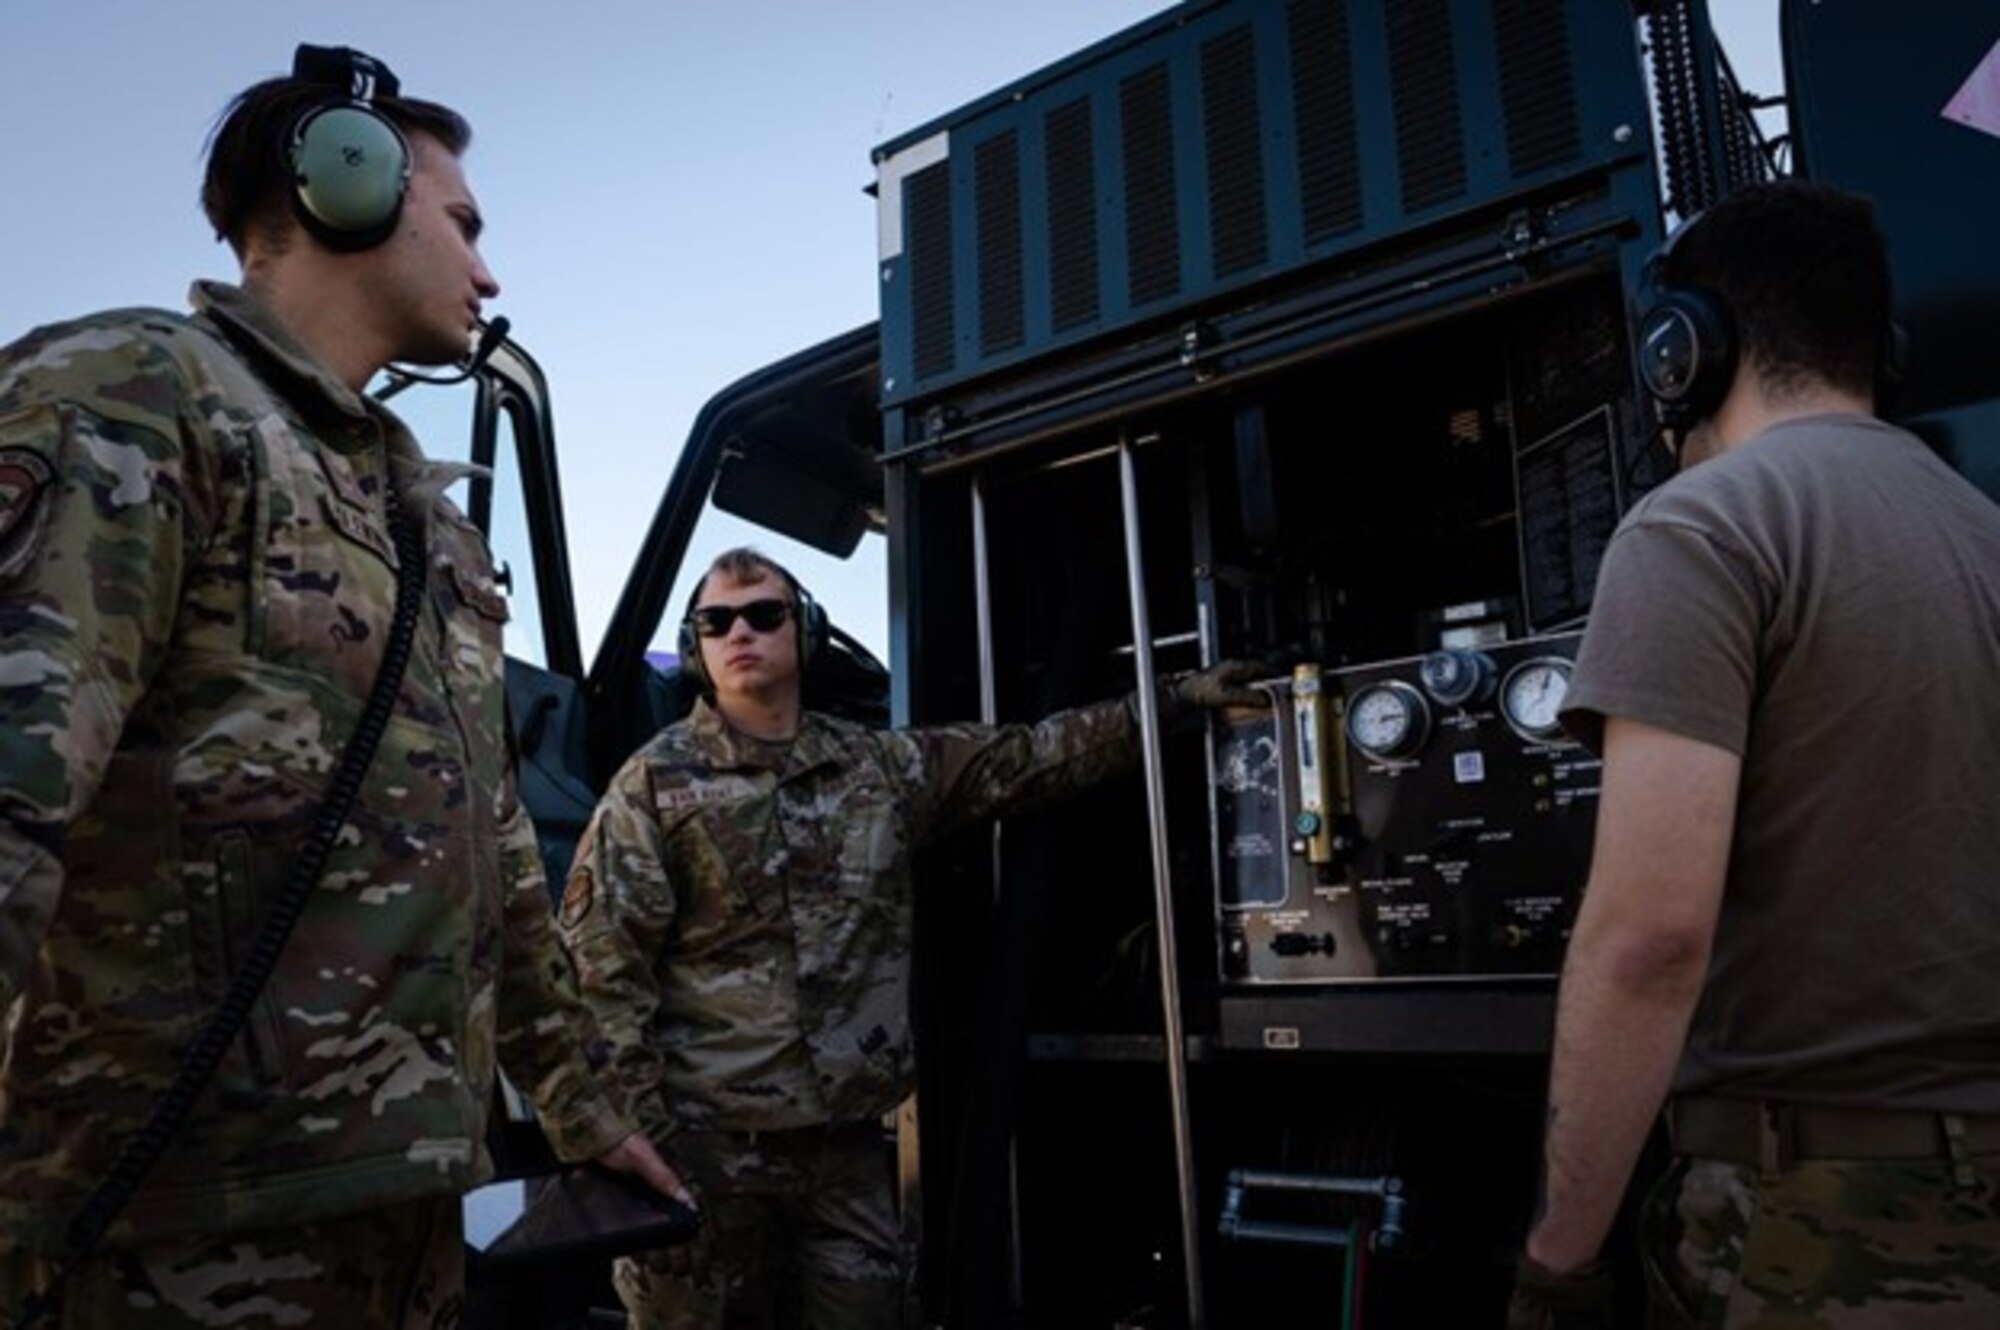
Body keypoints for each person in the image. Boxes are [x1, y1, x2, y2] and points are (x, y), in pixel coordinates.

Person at [0, 44, 684, 1328]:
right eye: (465, 223)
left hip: (392, 1213)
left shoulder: (429, 524)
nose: (489, 271)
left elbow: (493, 859)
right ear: (343, 184)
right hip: (166, 1233)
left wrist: (586, 1114)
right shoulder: (137, 399)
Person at [1509, 180, 2000, 1328]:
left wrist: (1557, 1261)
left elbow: (1646, 942)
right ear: (1879, 351)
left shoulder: (1699, 527)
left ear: (1681, 350)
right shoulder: (1983, 530)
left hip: (1811, 1225)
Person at [558, 547, 1260, 1328]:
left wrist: (1173, 701)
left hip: (846, 1160)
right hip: (704, 1157)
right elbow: (597, 978)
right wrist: (639, 1153)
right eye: (716, 621)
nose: (740, 632)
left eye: (764, 612)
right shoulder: (653, 787)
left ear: (807, 631)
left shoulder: (878, 768)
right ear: (696, 648)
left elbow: (1030, 758)